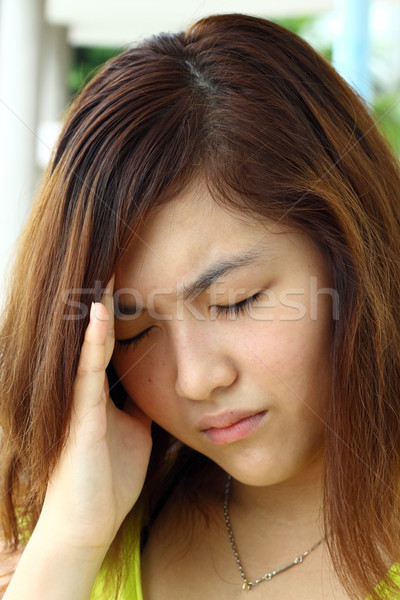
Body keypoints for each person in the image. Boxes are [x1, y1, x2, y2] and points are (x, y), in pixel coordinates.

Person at [1, 12, 400, 600]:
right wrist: (68, 546)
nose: (196, 380)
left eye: (235, 302)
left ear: (349, 253)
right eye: (135, 330)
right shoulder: (59, 537)